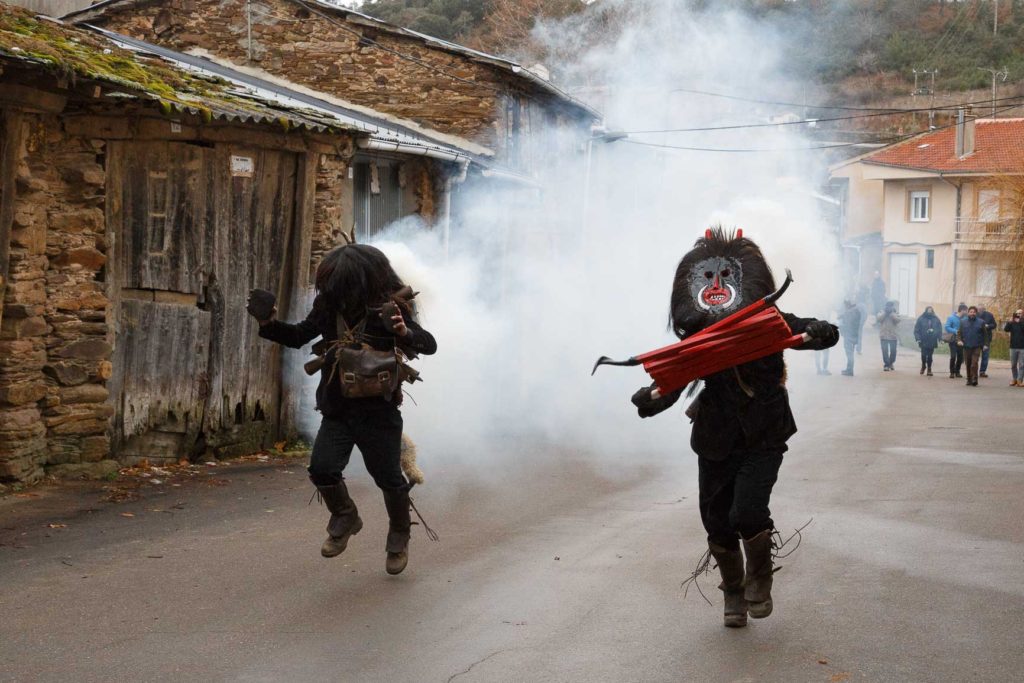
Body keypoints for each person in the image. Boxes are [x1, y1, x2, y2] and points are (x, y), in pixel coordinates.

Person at [630, 228, 838, 629]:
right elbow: (674, 380)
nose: (717, 287)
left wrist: (822, 331)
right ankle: (734, 591)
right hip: (715, 435)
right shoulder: (697, 336)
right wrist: (653, 398)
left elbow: (811, 332)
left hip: (765, 432)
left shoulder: (770, 320)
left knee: (747, 511)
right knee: (717, 519)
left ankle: (760, 578)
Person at [247, 243, 437, 575]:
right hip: (338, 408)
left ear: (364, 279)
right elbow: (298, 336)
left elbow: (428, 344)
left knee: (389, 478)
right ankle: (346, 515)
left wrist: (403, 331)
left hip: (379, 411)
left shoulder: (389, 306)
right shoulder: (327, 304)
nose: (339, 291)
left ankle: (399, 534)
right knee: (321, 468)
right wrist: (267, 321)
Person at [957, 305, 991, 387]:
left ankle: (974, 378)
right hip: (966, 346)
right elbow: (959, 333)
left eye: (974, 312)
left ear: (976, 313)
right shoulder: (963, 321)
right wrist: (959, 340)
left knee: (974, 363)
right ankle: (969, 379)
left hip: (977, 346)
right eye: (971, 312)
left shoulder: (981, 322)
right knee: (968, 363)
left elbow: (985, 335)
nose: (972, 313)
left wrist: (986, 344)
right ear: (968, 313)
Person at [913, 306, 942, 377]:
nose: (929, 311)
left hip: (932, 340)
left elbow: (939, 329)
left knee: (930, 356)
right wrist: (918, 338)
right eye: (928, 310)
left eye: (931, 310)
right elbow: (916, 330)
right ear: (925, 310)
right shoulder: (921, 318)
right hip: (923, 340)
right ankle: (923, 366)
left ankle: (929, 369)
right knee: (923, 355)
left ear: (932, 311)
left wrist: (939, 338)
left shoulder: (936, 319)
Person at [838, 299, 861, 376]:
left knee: (849, 354)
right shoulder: (856, 311)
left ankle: (850, 370)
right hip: (854, 335)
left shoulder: (849, 313)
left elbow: (847, 325)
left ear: (847, 305)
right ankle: (849, 369)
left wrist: (838, 326)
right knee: (851, 353)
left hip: (849, 336)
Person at [877, 300, 900, 371]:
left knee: (893, 351)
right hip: (884, 335)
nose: (889, 307)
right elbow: (879, 319)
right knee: (885, 351)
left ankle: (891, 363)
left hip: (893, 335)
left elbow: (898, 320)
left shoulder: (895, 312)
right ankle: (886, 365)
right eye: (888, 306)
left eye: (891, 306)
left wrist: (891, 314)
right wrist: (885, 313)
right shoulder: (881, 312)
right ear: (886, 306)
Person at [945, 304, 966, 378]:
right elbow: (947, 327)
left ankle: (957, 372)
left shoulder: (965, 318)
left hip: (962, 340)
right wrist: (955, 331)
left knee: (960, 357)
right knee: (953, 356)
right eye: (965, 310)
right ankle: (952, 372)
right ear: (962, 310)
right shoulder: (951, 317)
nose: (966, 312)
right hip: (953, 339)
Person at [1004, 309, 1024, 386]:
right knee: (1013, 364)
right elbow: (1006, 329)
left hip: (1022, 347)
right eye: (1017, 313)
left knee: (1022, 364)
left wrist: (1021, 322)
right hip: (1013, 346)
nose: (1019, 315)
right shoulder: (1012, 322)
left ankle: (1020, 380)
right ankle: (1014, 379)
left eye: (1020, 313)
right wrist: (1009, 322)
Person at [977, 305, 997, 378]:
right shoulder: (974, 315)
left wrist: (988, 326)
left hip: (986, 339)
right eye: (979, 309)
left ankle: (982, 371)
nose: (980, 310)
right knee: (975, 356)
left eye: (981, 309)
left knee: (985, 356)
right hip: (977, 339)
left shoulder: (989, 315)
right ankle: (974, 370)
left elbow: (994, 325)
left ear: (984, 309)